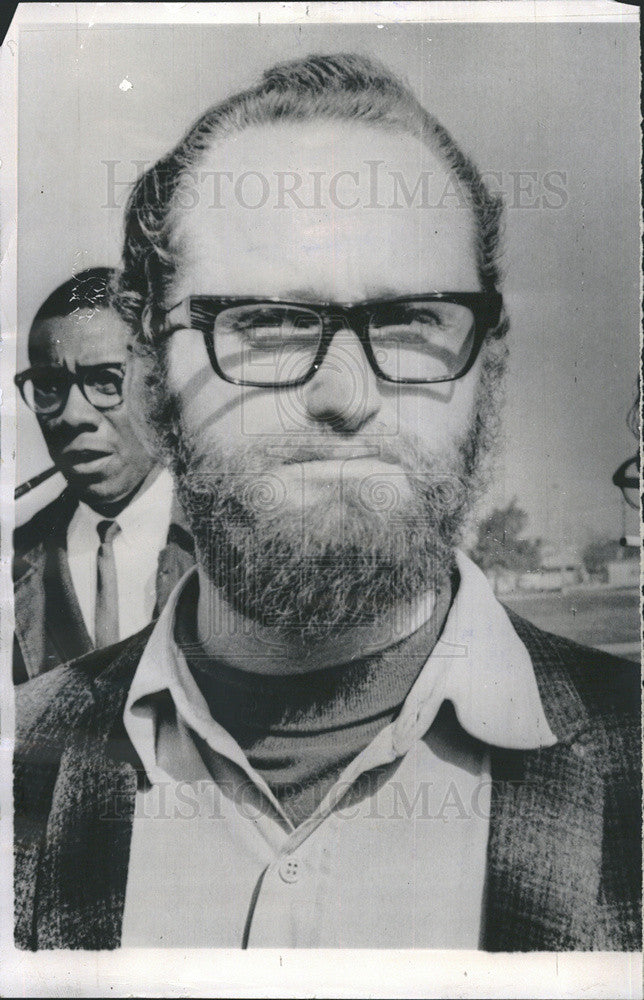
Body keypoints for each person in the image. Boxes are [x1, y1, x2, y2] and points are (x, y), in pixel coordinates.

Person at [14, 55, 640, 951]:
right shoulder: (16, 769)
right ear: (153, 376)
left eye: (412, 319)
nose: (345, 394)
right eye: (265, 323)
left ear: (487, 370)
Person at [13, 268, 194, 683]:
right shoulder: (12, 560)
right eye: (48, 385)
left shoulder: (231, 545)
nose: (72, 416)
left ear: (162, 385)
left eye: (105, 381)